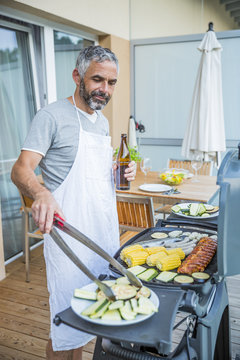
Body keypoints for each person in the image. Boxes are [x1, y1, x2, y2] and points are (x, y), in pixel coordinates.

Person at [11, 45, 136, 360]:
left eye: (111, 83)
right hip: (70, 241)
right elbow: (20, 169)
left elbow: (92, 175)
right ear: (77, 75)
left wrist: (121, 171)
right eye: (97, 80)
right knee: (67, 329)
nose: (104, 90)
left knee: (96, 319)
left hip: (102, 236)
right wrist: (41, 193)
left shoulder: (101, 122)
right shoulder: (52, 115)